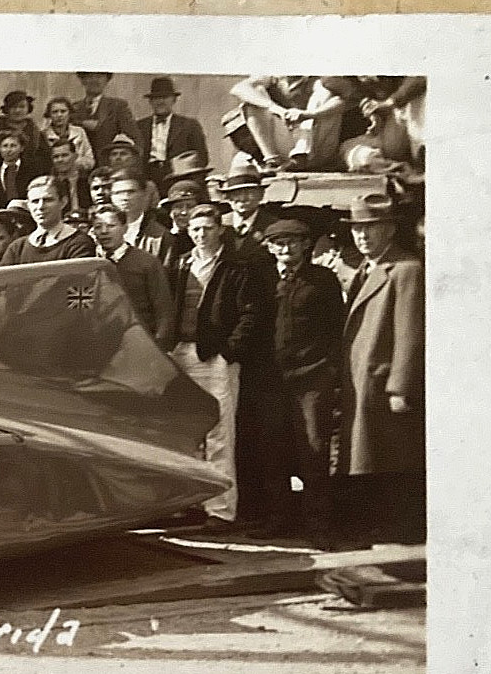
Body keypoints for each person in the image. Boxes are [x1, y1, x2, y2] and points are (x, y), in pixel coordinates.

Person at [170, 204, 274, 529]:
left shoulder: (236, 267)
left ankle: (221, 510)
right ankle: (193, 502)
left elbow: (251, 314)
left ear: (219, 230)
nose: (201, 235)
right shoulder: (180, 264)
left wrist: (228, 352)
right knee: (187, 433)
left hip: (214, 357)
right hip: (180, 353)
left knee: (218, 433)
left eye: (207, 228)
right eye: (196, 229)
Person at [336, 193, 424, 536]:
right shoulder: (366, 269)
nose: (362, 235)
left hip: (381, 380)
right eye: (357, 228)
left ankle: (395, 531)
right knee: (365, 456)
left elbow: (410, 333)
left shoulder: (406, 270)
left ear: (389, 229)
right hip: (361, 379)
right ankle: (375, 528)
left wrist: (400, 387)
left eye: (371, 228)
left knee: (388, 458)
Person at [263, 217, 345, 539]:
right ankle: (279, 519)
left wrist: (329, 370)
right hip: (273, 378)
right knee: (274, 450)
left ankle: (318, 525)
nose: (286, 249)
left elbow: (336, 327)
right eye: (279, 243)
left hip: (312, 378)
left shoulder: (322, 280)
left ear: (305, 245)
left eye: (293, 242)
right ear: (270, 248)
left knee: (314, 449)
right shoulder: (264, 279)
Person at [92, 204, 173, 351]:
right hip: (101, 347)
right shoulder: (89, 264)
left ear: (125, 228)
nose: (104, 231)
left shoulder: (147, 262)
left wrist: (158, 346)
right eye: (98, 227)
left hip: (141, 345)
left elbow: (163, 310)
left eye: (111, 226)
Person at [229, 76, 347, 173]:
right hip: (288, 151)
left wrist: (308, 114)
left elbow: (341, 102)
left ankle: (301, 154)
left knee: (323, 94)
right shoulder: (272, 77)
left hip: (318, 147)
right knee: (252, 101)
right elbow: (239, 88)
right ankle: (273, 161)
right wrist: (274, 108)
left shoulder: (316, 79)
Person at [0, 176, 96, 265]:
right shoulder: (16, 248)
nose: (40, 207)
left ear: (63, 202)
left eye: (48, 200)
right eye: (35, 201)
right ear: (28, 205)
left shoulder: (79, 243)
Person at [136, 76, 209, 189]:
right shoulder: (138, 127)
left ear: (174, 100)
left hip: (179, 178)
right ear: (150, 101)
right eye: (156, 98)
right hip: (147, 180)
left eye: (165, 97)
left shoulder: (189, 125)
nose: (160, 101)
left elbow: (202, 158)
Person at [0, 89, 52, 181]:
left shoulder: (35, 132)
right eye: (13, 107)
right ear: (7, 109)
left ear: (28, 108)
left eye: (22, 107)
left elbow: (46, 159)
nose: (17, 110)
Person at [71, 72, 140, 157]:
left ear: (107, 80)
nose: (94, 80)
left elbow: (134, 137)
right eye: (90, 76)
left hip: (109, 163)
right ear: (82, 80)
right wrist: (83, 123)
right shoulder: (73, 108)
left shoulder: (118, 106)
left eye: (99, 76)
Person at [109, 171, 172, 262]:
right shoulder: (97, 233)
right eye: (118, 193)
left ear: (144, 194)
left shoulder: (161, 236)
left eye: (131, 192)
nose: (125, 198)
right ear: (111, 197)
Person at [0, 129, 36, 214]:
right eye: (5, 146)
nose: (9, 150)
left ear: (21, 148)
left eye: (13, 146)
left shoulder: (32, 170)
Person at [41, 96, 94, 173]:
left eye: (63, 111)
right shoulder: (43, 135)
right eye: (55, 112)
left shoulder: (79, 132)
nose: (59, 115)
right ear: (49, 115)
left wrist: (74, 164)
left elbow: (90, 158)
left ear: (69, 113)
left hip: (79, 176)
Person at [49, 138, 91, 215]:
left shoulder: (88, 181)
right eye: (56, 157)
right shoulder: (50, 186)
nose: (60, 160)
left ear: (75, 156)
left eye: (64, 155)